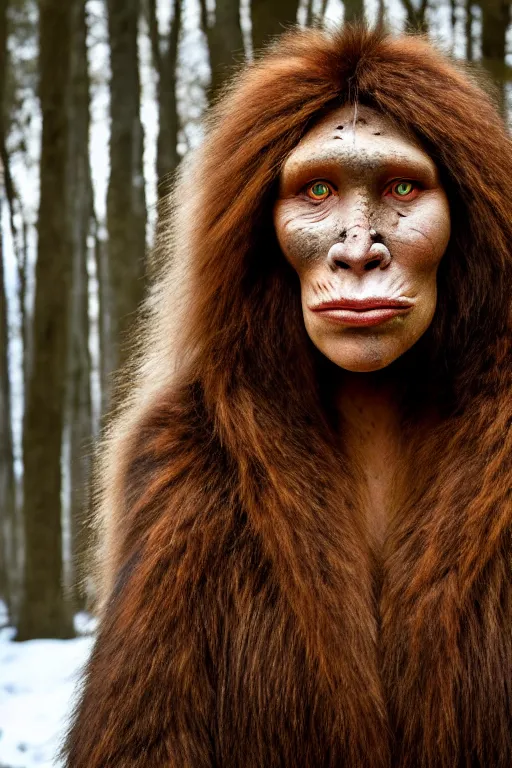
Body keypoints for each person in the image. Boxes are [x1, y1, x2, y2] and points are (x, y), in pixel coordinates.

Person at [64, 24, 512, 768]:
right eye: (317, 190)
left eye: (403, 187)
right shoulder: (188, 454)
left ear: (468, 219)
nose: (359, 245)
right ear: (255, 231)